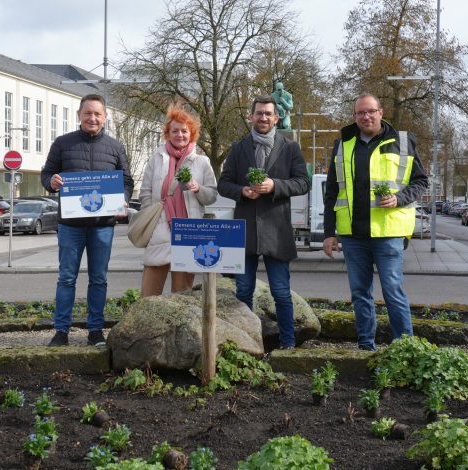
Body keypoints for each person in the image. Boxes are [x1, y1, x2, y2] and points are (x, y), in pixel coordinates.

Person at [322, 93, 428, 351]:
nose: (366, 116)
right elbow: (333, 192)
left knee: (393, 292)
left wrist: (399, 198)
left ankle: (405, 348)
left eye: (371, 111)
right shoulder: (343, 144)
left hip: (388, 233)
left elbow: (421, 182)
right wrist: (328, 232)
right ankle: (365, 346)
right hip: (352, 234)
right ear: (355, 116)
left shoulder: (403, 142)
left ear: (381, 112)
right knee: (360, 294)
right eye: (360, 113)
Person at [40, 93, 134, 347]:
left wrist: (123, 200)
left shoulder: (115, 147)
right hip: (70, 226)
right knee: (66, 277)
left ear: (105, 117)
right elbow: (47, 174)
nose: (92, 118)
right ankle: (61, 331)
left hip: (102, 226)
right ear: (79, 115)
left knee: (99, 278)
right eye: (88, 113)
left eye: (97, 114)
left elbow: (126, 181)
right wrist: (52, 182)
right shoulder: (62, 144)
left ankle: (95, 330)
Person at [217, 95, 310, 349]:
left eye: (268, 114)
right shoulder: (238, 148)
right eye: (259, 113)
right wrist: (242, 191)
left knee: (281, 292)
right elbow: (223, 184)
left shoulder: (290, 148)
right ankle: (246, 344)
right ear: (251, 116)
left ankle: (288, 345)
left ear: (276, 118)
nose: (264, 118)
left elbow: (303, 182)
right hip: (245, 231)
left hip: (277, 232)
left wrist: (275, 186)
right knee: (243, 291)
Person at [138, 105, 218, 297]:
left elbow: (212, 195)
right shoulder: (156, 158)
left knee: (182, 295)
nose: (180, 135)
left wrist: (197, 187)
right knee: (149, 296)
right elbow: (145, 193)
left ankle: (178, 328)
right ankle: (149, 327)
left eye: (184, 131)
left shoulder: (202, 162)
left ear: (192, 133)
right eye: (175, 131)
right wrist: (152, 217)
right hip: (160, 229)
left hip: (189, 231)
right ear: (168, 133)